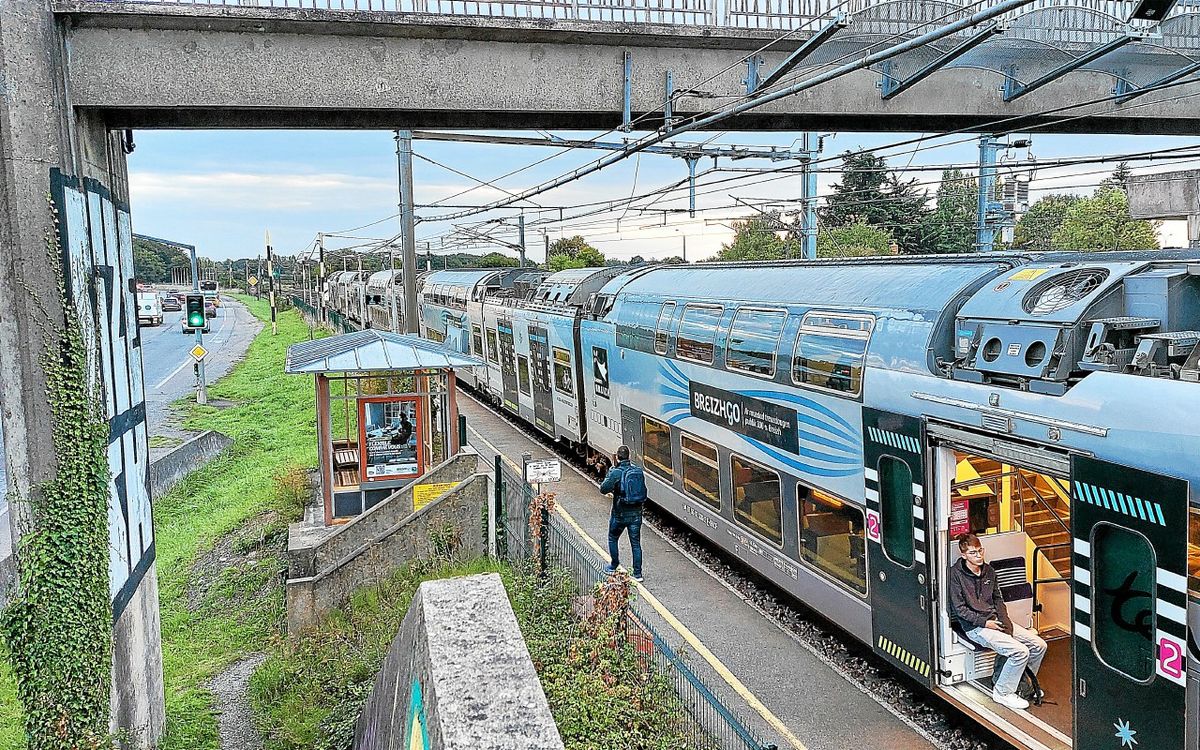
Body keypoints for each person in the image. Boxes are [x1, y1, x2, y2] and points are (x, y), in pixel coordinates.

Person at [949, 533, 1047, 710]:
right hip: (976, 626)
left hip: (996, 621)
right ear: (963, 555)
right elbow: (960, 609)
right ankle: (1002, 692)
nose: (978, 556)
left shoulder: (989, 572)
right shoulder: (955, 575)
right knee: (1020, 652)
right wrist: (986, 623)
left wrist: (1006, 624)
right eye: (973, 553)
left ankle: (1023, 686)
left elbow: (998, 600)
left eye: (980, 551)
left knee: (1039, 645)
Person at [600, 445, 646, 582]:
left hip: (620, 513)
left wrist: (610, 474)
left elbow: (603, 489)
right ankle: (638, 574)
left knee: (613, 538)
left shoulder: (616, 472)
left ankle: (614, 565)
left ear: (618, 457)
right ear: (629, 456)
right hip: (636, 514)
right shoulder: (637, 471)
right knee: (636, 544)